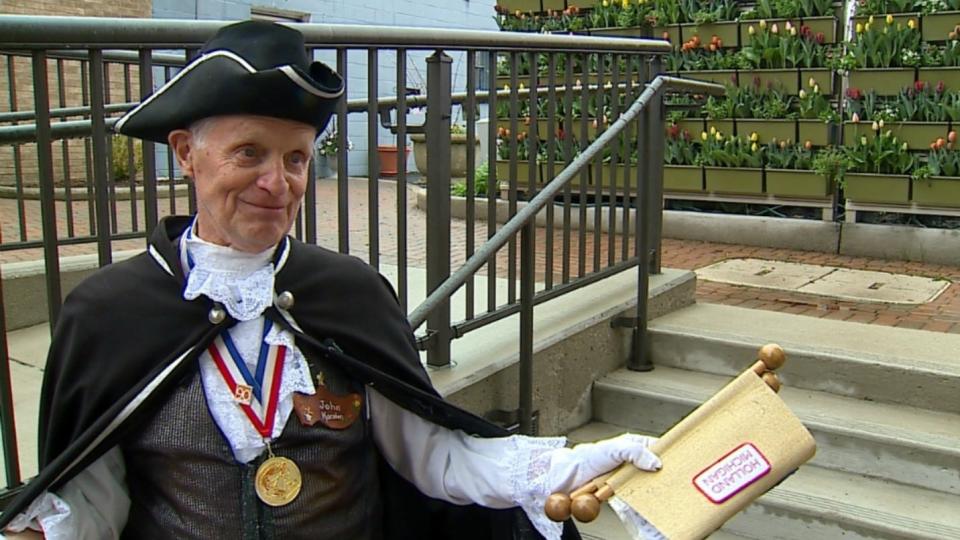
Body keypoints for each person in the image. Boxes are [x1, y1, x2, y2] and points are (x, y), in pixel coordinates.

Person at [0, 20, 661, 540]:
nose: (276, 182)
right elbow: (90, 502)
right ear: (185, 154)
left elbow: (435, 455)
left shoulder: (348, 294)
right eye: (249, 152)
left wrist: (570, 464)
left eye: (295, 158)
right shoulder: (111, 313)